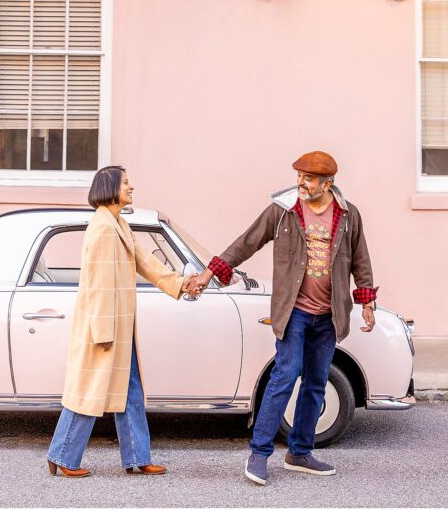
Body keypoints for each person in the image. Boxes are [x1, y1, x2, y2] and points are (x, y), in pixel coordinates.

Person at [191, 151, 377, 487]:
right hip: (293, 313)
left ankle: (300, 453)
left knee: (317, 383)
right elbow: (246, 242)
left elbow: (360, 260)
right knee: (285, 375)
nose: (301, 182)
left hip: (329, 315)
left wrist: (366, 302)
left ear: (327, 183)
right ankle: (259, 453)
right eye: (299, 175)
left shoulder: (348, 215)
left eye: (308, 178)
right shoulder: (283, 210)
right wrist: (209, 273)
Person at [47, 165, 197, 478]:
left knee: (130, 391)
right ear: (111, 187)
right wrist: (103, 332)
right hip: (104, 327)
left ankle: (138, 457)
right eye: (126, 183)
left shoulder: (118, 225)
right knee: (88, 391)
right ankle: (61, 455)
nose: (132, 187)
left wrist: (181, 283)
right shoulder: (103, 228)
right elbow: (99, 283)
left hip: (119, 325)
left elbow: (147, 264)